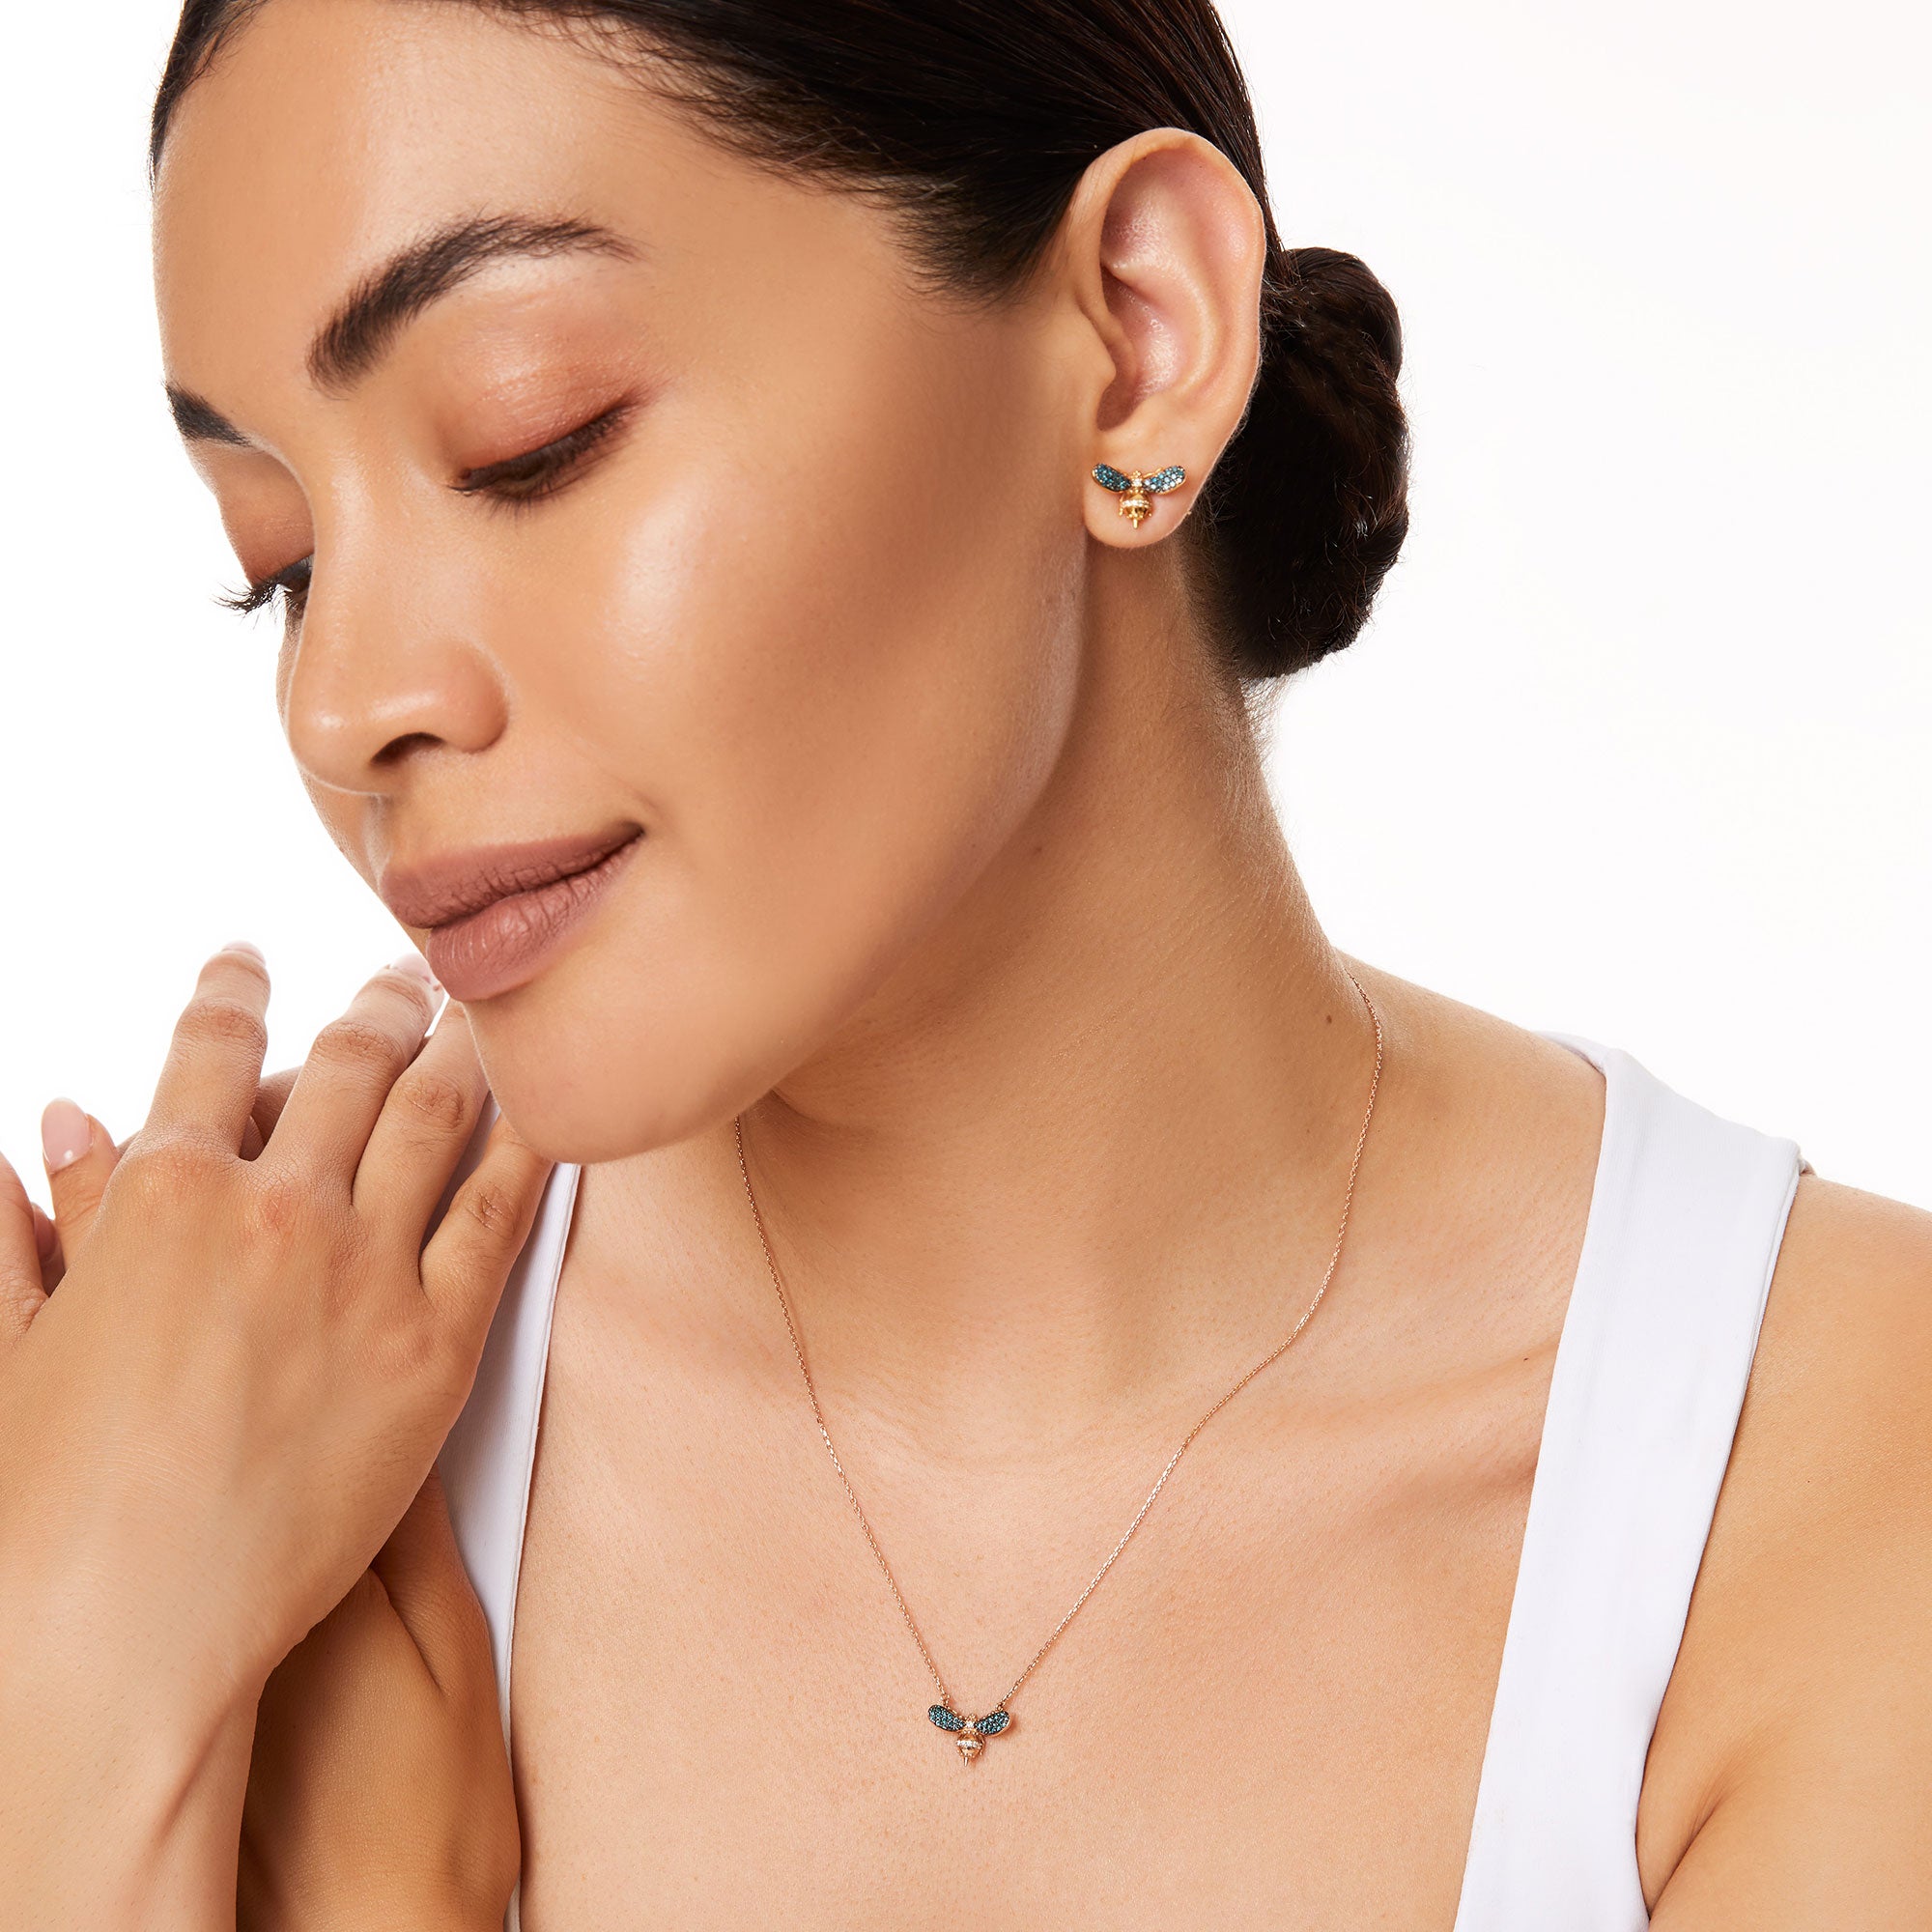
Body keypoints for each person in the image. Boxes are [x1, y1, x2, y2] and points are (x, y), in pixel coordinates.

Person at [3, 0, 1929, 1926]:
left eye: (531, 441)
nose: (340, 704)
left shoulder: (1828, 1482)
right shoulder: (190, 1462)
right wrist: (81, 1684)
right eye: (284, 563)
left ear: (1139, 337)